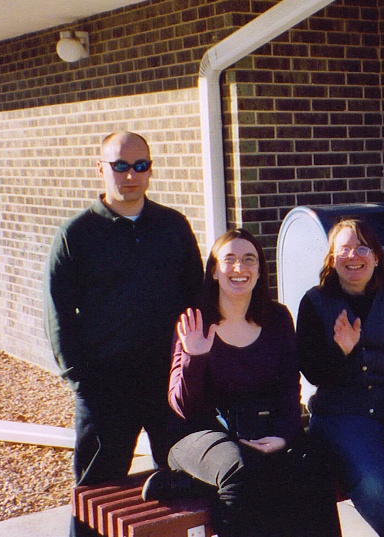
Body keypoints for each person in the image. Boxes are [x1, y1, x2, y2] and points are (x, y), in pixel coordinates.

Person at [43, 131, 203, 537]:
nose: (130, 175)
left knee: (181, 490)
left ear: (150, 170)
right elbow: (58, 313)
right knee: (96, 498)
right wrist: (80, 379)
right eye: (119, 165)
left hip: (169, 384)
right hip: (105, 389)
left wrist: (192, 366)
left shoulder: (174, 227)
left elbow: (196, 297)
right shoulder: (75, 235)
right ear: (100, 169)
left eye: (140, 165)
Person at [143, 228, 337, 537]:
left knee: (314, 463)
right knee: (240, 468)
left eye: (249, 259)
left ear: (260, 271)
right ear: (215, 271)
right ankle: (188, 477)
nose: (239, 268)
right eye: (229, 259)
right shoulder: (195, 320)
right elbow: (182, 408)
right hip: (199, 433)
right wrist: (195, 358)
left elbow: (289, 388)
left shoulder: (277, 318)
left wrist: (283, 436)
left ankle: (188, 484)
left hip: (257, 428)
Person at [297, 218, 384, 537]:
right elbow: (312, 372)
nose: (353, 256)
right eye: (344, 248)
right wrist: (341, 351)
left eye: (362, 247)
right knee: (377, 483)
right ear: (332, 258)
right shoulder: (315, 302)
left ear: (376, 256)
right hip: (344, 416)